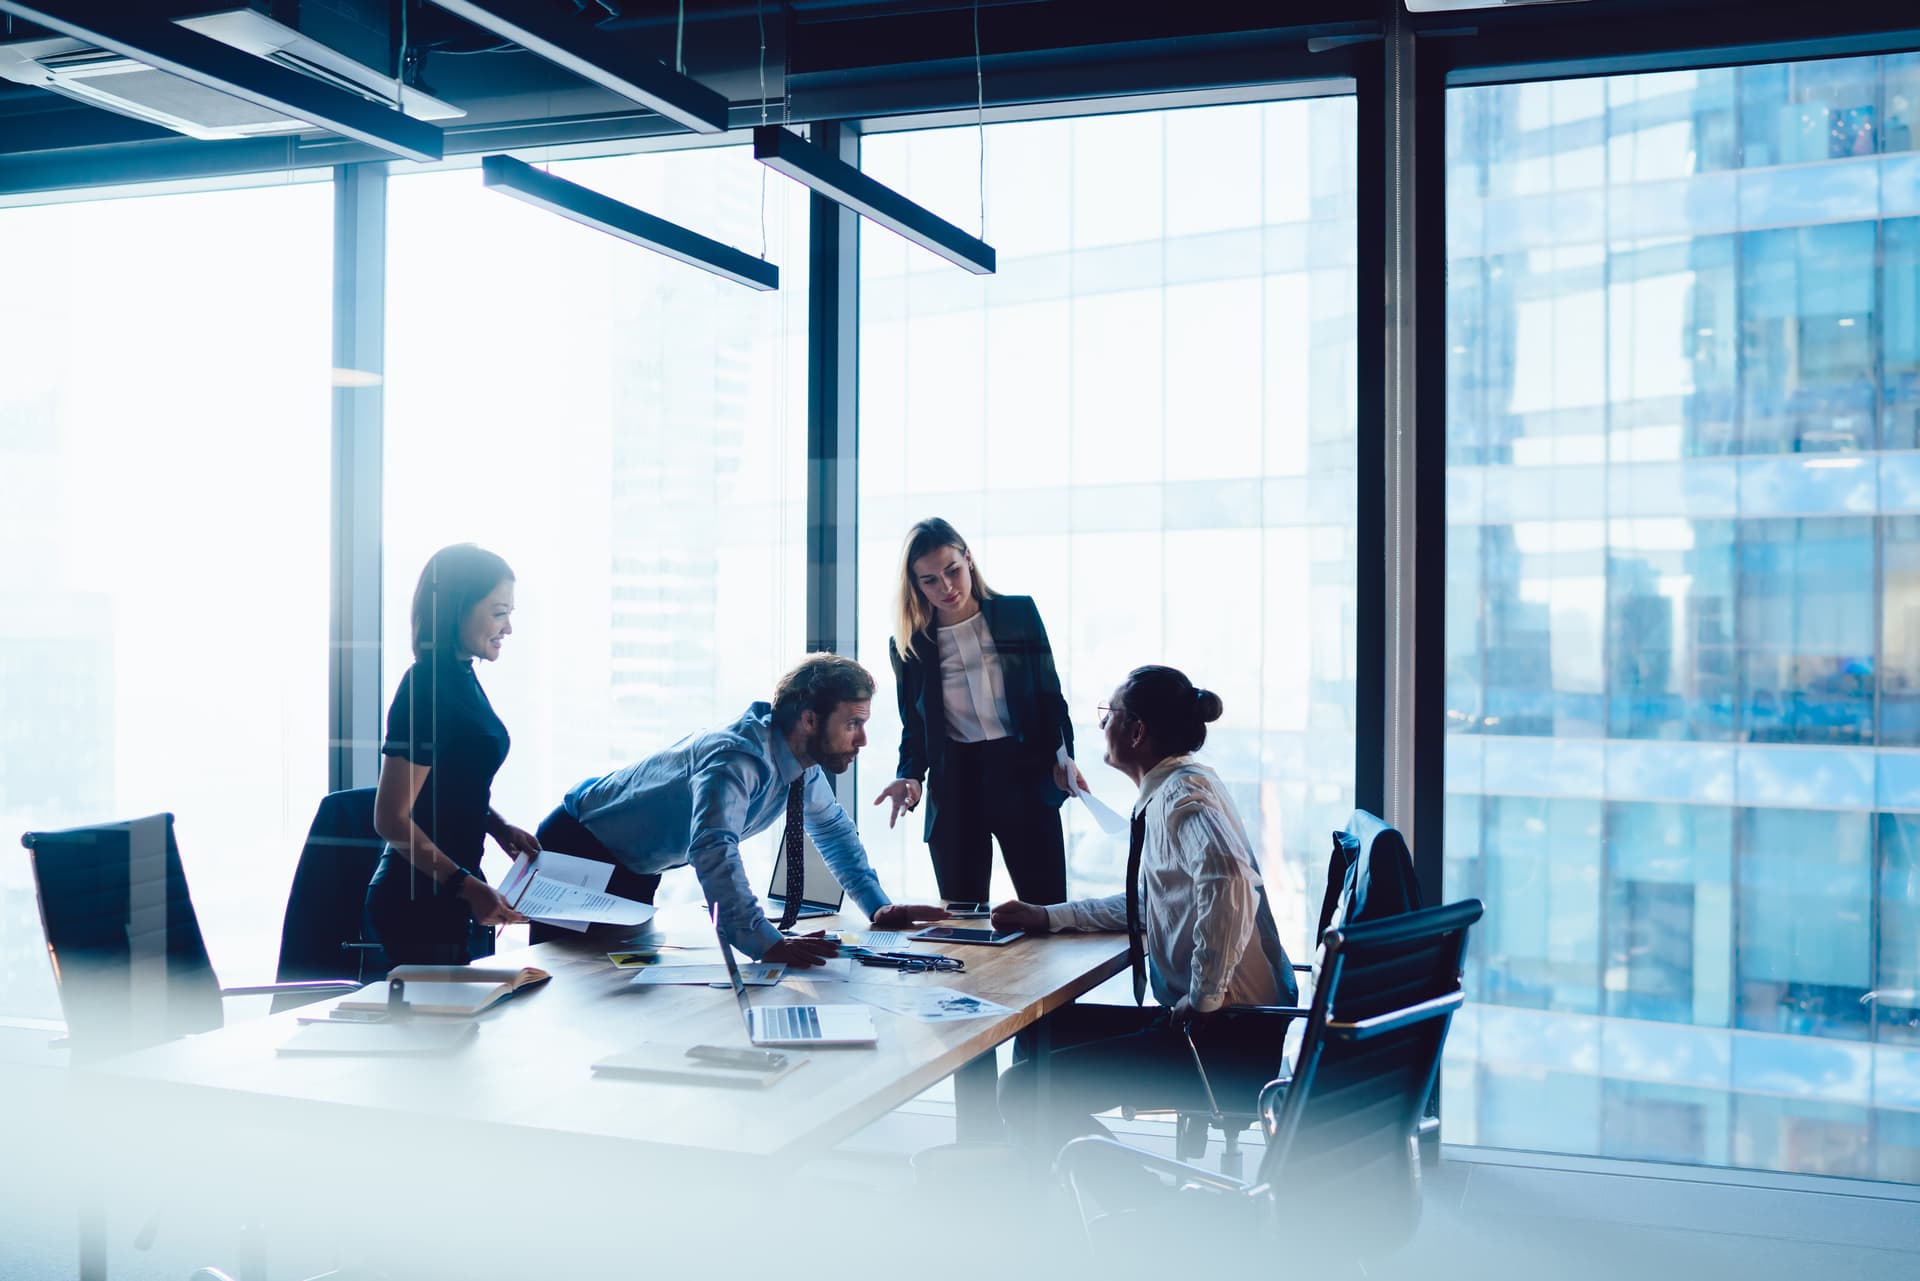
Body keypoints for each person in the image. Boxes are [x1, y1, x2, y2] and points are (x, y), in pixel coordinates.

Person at [992, 665, 1299, 1150]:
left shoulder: (1181, 796)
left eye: (1108, 714)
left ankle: (1131, 1200)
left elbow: (1230, 879)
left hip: (1226, 1040)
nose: (1100, 725)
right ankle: (1049, 1186)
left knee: (1022, 1090)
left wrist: (1205, 997)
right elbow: (1147, 903)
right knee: (1040, 1030)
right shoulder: (1177, 786)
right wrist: (1049, 916)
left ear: (1136, 731)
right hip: (1219, 1026)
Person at [537, 654, 949, 967]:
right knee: (566, 983)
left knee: (621, 990)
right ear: (809, 720)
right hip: (578, 849)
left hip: (635, 867)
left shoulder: (800, 767)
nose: (862, 741)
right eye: (852, 725)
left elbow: (834, 832)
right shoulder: (736, 759)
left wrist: (878, 906)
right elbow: (714, 849)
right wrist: (764, 942)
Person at [872, 518, 1085, 907]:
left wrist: (1064, 758)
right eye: (930, 580)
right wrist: (910, 777)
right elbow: (914, 727)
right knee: (963, 922)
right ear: (915, 585)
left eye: (952, 570)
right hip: (956, 784)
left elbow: (1049, 698)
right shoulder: (909, 645)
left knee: (1047, 911)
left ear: (968, 558)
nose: (947, 587)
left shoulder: (1018, 615)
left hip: (1023, 773)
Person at [367, 544, 540, 966]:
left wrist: (498, 827)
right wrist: (464, 885)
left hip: (454, 889)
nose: (509, 628)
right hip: (418, 900)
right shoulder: (424, 687)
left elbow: (453, 783)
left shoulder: (461, 673)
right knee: (443, 1030)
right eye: (499, 612)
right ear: (458, 609)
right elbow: (389, 818)